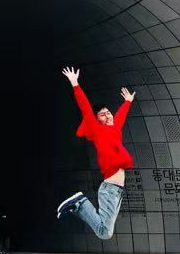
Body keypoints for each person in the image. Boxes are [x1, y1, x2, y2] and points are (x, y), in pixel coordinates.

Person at [56, 67, 136, 241]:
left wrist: (128, 102)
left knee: (105, 232)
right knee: (104, 233)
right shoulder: (98, 131)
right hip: (110, 189)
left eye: (108, 113)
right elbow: (85, 108)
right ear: (96, 120)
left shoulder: (115, 130)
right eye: (102, 115)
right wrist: (75, 84)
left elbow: (120, 116)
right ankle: (80, 203)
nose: (108, 116)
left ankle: (80, 204)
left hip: (116, 191)